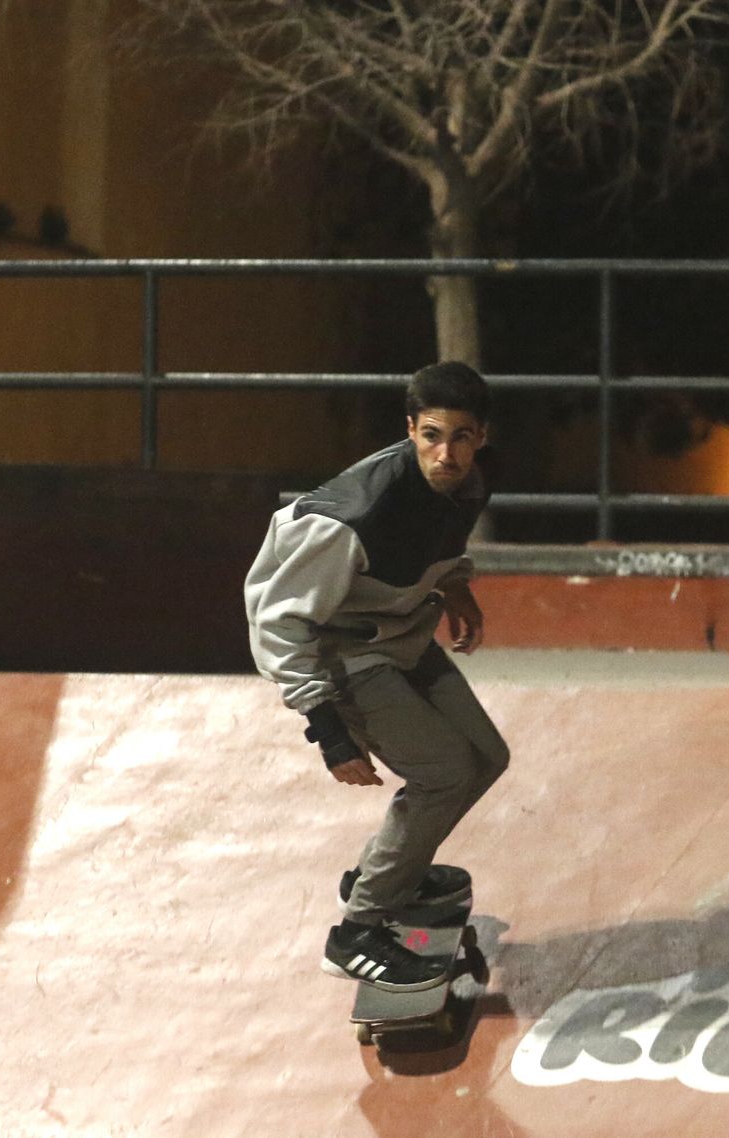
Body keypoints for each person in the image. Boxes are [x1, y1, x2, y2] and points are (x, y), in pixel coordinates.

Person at [244, 360, 508, 992]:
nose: (446, 454)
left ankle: (387, 871)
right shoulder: (355, 515)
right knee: (443, 772)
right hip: (347, 655)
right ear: (411, 429)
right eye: (432, 436)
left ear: (482, 438)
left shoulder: (470, 483)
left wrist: (457, 588)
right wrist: (327, 727)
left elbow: (439, 545)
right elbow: (277, 621)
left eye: (463, 437)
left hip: (403, 636)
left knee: (486, 756)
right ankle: (358, 929)